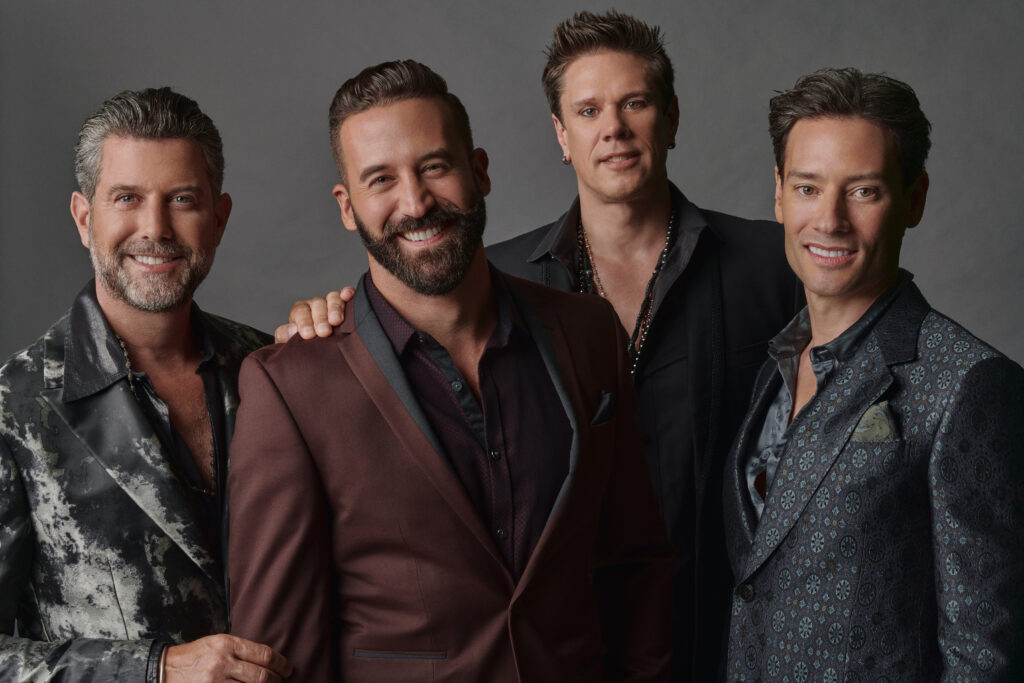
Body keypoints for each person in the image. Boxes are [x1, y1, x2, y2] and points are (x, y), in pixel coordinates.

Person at [279, 13, 801, 679]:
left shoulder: (773, 265)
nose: (612, 128)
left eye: (635, 103)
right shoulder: (485, 279)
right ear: (561, 133)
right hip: (582, 649)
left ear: (671, 117)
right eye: (588, 110)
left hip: (734, 632)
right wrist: (326, 322)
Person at [228, 60, 673, 682]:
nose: (415, 203)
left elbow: (636, 563)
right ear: (348, 207)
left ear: (479, 170)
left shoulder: (589, 332)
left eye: (435, 167)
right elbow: (277, 656)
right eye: (381, 180)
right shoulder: (291, 387)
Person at [722, 67, 1024, 680]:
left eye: (863, 191)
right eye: (808, 188)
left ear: (914, 199)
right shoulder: (775, 367)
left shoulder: (968, 385)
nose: (829, 219)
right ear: (779, 194)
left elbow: (986, 657)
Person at [0, 88, 291, 682]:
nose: (155, 229)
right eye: (127, 198)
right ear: (85, 218)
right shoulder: (14, 407)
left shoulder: (274, 365)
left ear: (219, 218)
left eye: (182, 199)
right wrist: (154, 671)